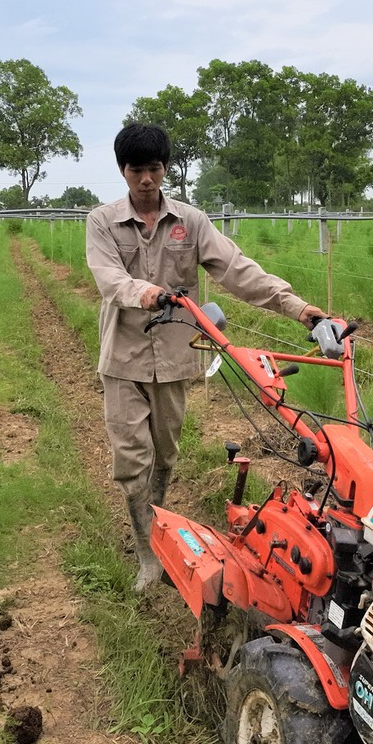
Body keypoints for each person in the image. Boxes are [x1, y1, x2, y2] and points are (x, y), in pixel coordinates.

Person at [85, 123, 324, 590]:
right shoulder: (102, 221)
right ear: (123, 171)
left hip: (174, 358)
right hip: (123, 357)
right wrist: (147, 293)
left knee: (165, 453)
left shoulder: (190, 222)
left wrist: (299, 309)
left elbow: (238, 270)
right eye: (137, 170)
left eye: (154, 169)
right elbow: (109, 279)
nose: (146, 180)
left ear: (165, 168)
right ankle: (147, 553)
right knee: (131, 459)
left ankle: (156, 519)